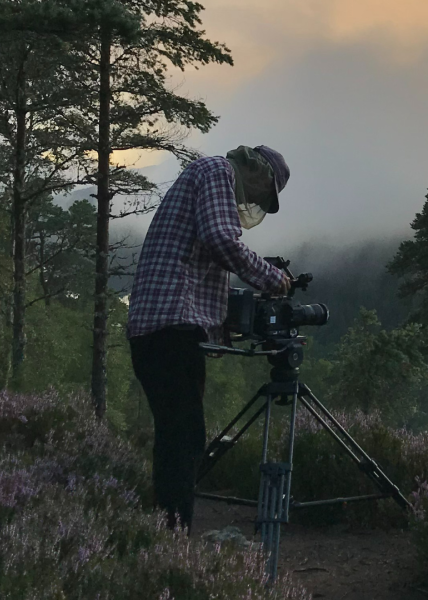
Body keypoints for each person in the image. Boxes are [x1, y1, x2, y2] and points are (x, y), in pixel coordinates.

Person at [126, 145, 292, 530]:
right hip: (170, 329)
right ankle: (173, 535)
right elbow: (220, 239)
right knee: (184, 440)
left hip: (160, 328)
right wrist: (272, 278)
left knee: (175, 437)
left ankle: (167, 529)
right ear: (260, 173)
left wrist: (221, 329)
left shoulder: (203, 176)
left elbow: (197, 265)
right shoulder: (218, 172)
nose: (254, 202)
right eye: (262, 194)